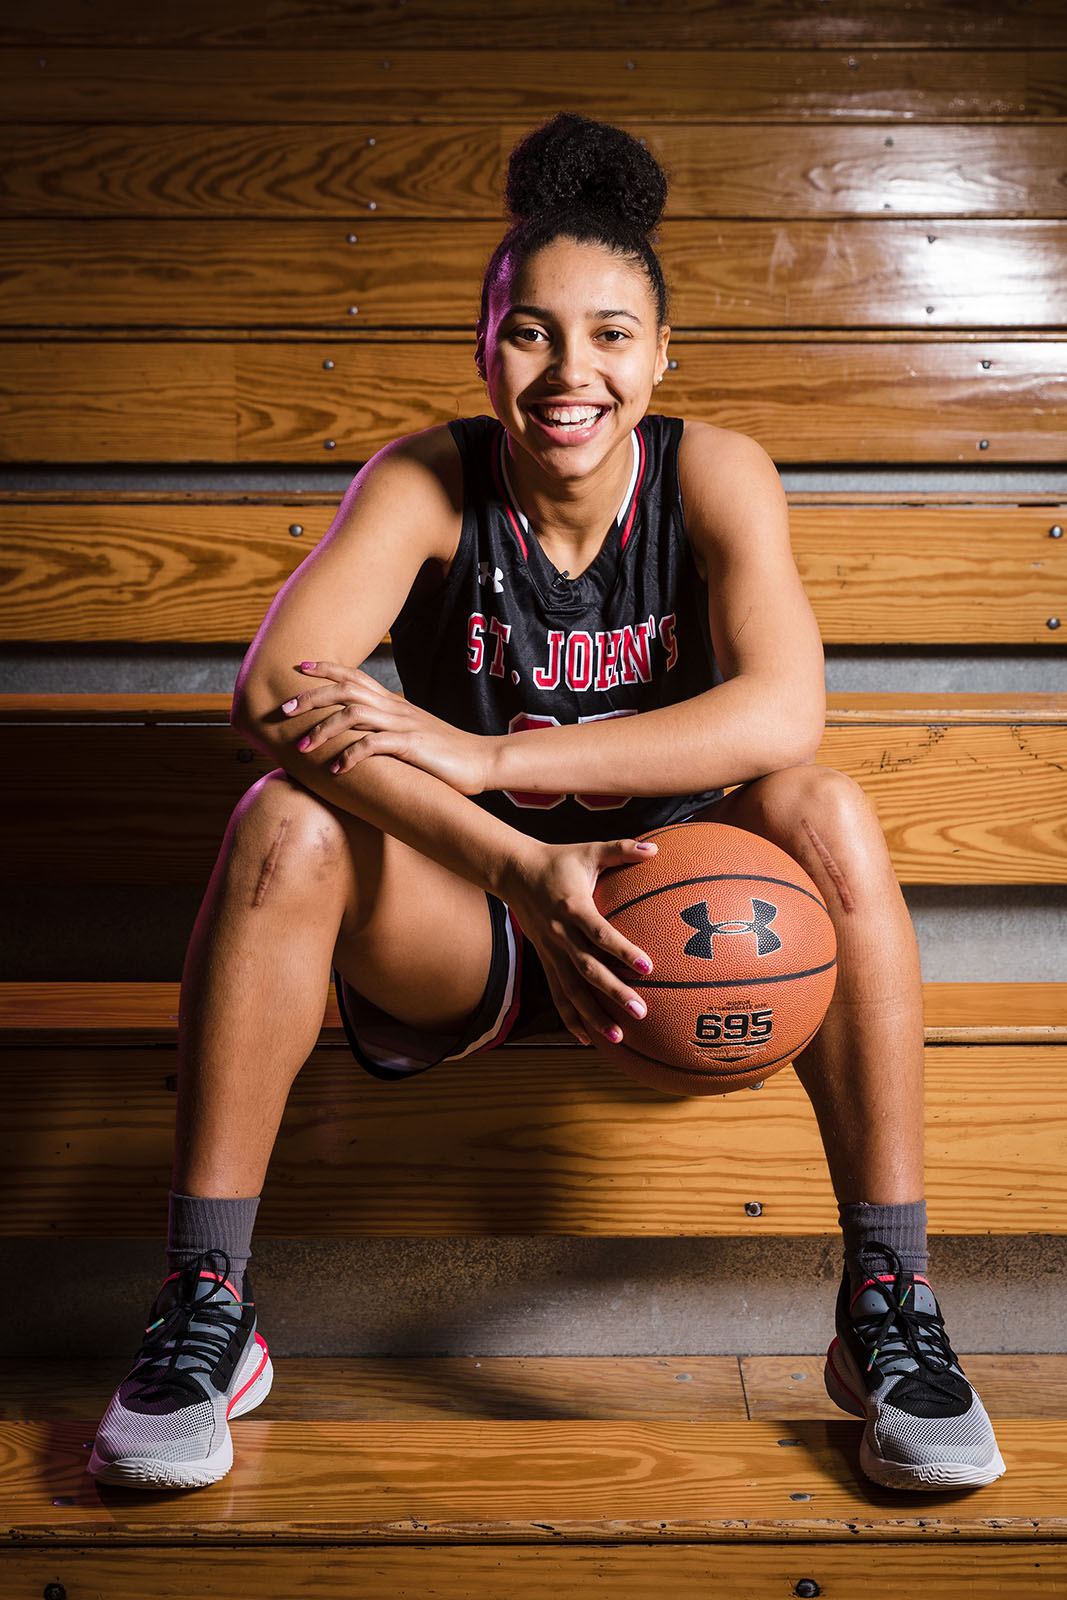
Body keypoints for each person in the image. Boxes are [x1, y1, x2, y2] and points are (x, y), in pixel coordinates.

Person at [89, 113, 1004, 1494]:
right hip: (474, 925)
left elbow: (780, 714)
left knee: (826, 806)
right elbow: (273, 693)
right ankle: (207, 1305)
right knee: (288, 815)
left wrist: (490, 758)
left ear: (661, 353)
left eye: (613, 334)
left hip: (674, 939)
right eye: (532, 331)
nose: (572, 372)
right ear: (483, 342)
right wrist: (518, 862)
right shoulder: (426, 481)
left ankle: (888, 1307)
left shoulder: (715, 474)